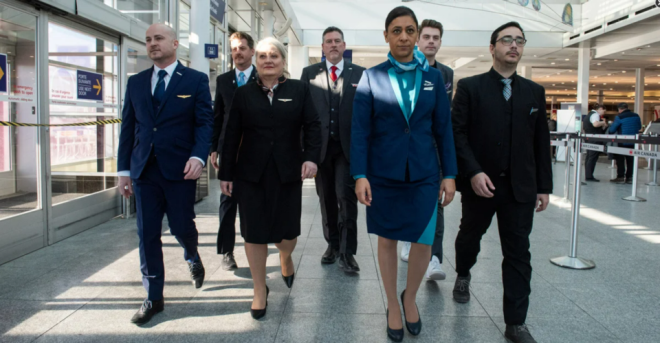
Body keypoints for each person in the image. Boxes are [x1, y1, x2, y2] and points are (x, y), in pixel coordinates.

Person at [352, 7, 457, 342]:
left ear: (417, 35)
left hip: (425, 171)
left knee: (424, 240)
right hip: (383, 172)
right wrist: (359, 174)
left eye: (409, 30)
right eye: (396, 30)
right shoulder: (372, 76)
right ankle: (392, 306)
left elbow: (444, 129)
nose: (403, 37)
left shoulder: (433, 79)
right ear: (386, 35)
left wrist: (450, 174)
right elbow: (359, 131)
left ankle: (408, 296)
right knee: (388, 238)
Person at [451, 22, 552, 343]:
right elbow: (458, 134)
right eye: (506, 40)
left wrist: (543, 186)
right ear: (492, 47)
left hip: (520, 188)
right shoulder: (470, 87)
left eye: (519, 41)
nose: (514, 45)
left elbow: (540, 142)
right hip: (481, 184)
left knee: (519, 253)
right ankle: (463, 273)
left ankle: (516, 323)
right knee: (469, 237)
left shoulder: (534, 92)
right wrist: (473, 172)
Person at [117, 23, 213, 325]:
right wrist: (123, 170)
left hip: (180, 169)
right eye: (148, 40)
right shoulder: (136, 82)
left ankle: (192, 254)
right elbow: (128, 129)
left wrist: (199, 156)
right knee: (147, 234)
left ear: (174, 43)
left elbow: (204, 124)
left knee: (181, 226)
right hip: (144, 170)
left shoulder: (195, 80)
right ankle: (153, 297)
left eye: (158, 38)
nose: (152, 44)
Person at [219, 37, 321, 320]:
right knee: (253, 232)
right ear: (256, 61)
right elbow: (231, 136)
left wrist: (311, 157)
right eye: (262, 56)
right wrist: (225, 174)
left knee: (287, 234)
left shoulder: (299, 90)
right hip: (250, 174)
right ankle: (259, 290)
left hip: (288, 172)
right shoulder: (243, 94)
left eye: (273, 56)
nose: (267, 60)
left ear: (283, 61)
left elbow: (313, 125)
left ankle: (285, 257)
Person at [300, 27, 365, 272]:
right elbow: (303, 114)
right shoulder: (309, 73)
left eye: (338, 41)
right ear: (323, 47)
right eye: (329, 41)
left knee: (346, 199)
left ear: (344, 45)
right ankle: (333, 245)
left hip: (348, 149)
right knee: (326, 199)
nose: (334, 45)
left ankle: (348, 253)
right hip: (320, 149)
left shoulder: (360, 73)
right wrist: (305, 153)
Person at [400, 18, 454, 282]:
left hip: (434, 151)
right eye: (427, 37)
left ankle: (434, 258)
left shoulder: (446, 74)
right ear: (418, 41)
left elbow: (444, 118)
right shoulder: (405, 69)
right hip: (408, 150)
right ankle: (409, 239)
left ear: (440, 42)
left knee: (437, 203)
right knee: (408, 198)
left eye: (436, 37)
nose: (431, 41)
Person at [210, 32, 257, 271]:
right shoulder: (223, 80)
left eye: (242, 48)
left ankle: (255, 244)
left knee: (253, 202)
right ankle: (227, 251)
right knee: (227, 202)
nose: (237, 52)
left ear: (252, 51)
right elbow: (217, 117)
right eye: (234, 49)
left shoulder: (263, 78)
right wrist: (213, 149)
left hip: (255, 152)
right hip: (228, 151)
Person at [609, 103, 642, 184]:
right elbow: (639, 127)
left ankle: (620, 177)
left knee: (620, 159)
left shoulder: (619, 117)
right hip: (634, 141)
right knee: (630, 160)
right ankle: (629, 178)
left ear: (619, 109)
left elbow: (612, 130)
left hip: (622, 141)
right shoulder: (636, 116)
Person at [583, 103, 608, 182]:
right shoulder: (595, 115)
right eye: (604, 111)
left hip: (589, 138)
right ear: (600, 108)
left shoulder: (589, 115)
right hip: (594, 139)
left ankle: (588, 174)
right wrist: (603, 122)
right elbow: (595, 124)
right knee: (592, 157)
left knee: (589, 157)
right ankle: (589, 176)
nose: (604, 112)